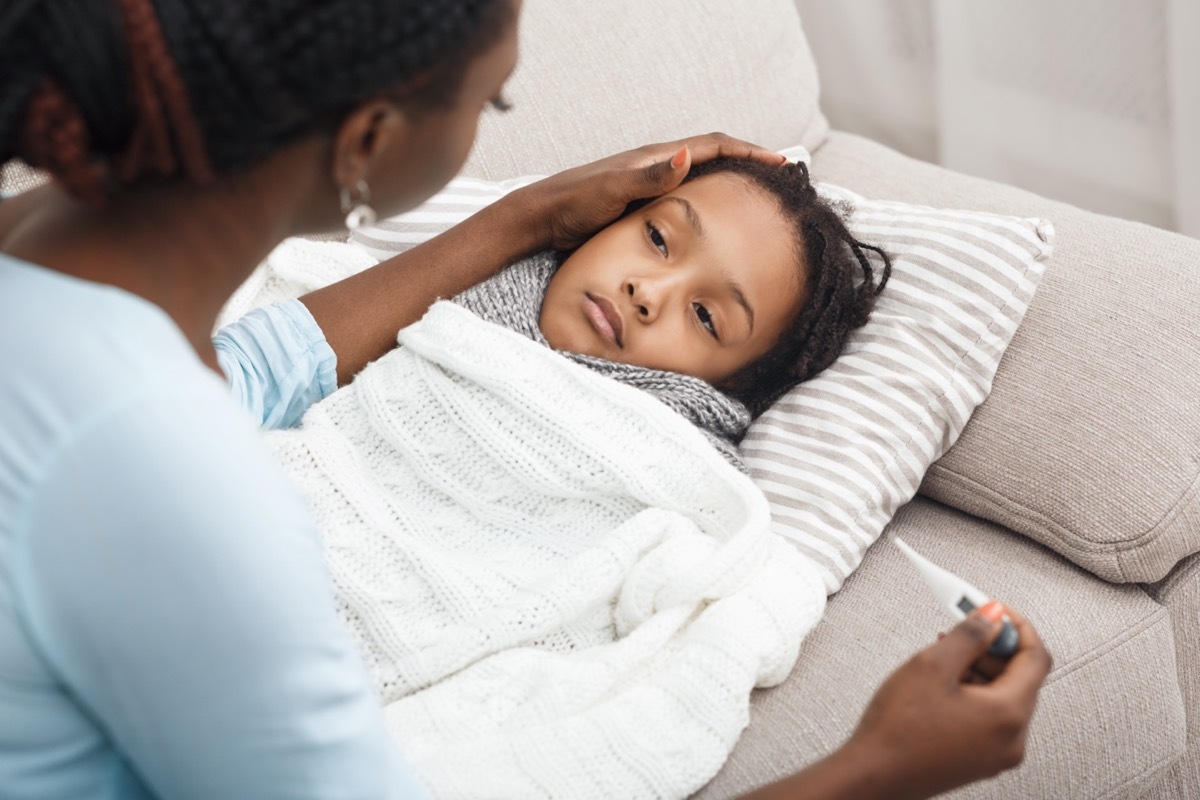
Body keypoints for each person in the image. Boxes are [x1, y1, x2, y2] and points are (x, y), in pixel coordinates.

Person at [0, 2, 1051, 800]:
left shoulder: (56, 301)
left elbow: (246, 373)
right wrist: (879, 766)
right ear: (367, 140)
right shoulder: (186, 499)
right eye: (491, 103)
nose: (647, 283)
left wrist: (530, 213)